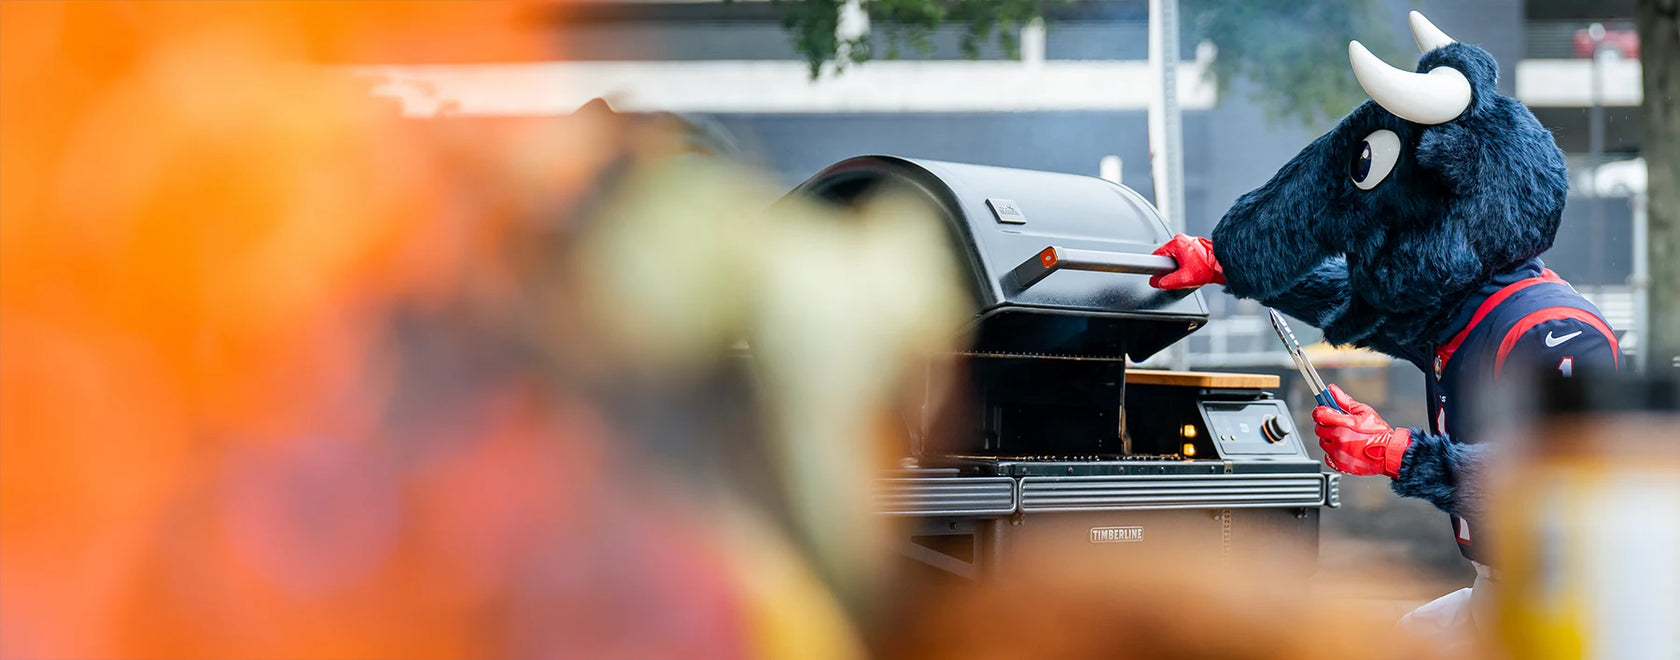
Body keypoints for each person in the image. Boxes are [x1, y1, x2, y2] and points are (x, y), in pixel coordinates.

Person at [1146, 11, 1620, 641]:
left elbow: (1559, 488)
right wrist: (1223, 266)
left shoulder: (1552, 329)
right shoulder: (1464, 305)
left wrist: (1395, 452)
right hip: (1503, 588)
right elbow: (1353, 299)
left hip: (1577, 602)